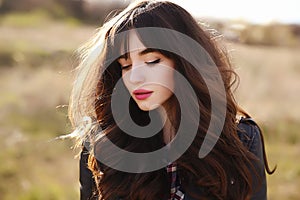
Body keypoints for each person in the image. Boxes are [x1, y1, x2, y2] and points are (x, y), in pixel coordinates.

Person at [68, 0, 276, 199]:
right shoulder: (103, 144)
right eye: (126, 65)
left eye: (152, 61)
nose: (134, 77)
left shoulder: (241, 140)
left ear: (185, 62)